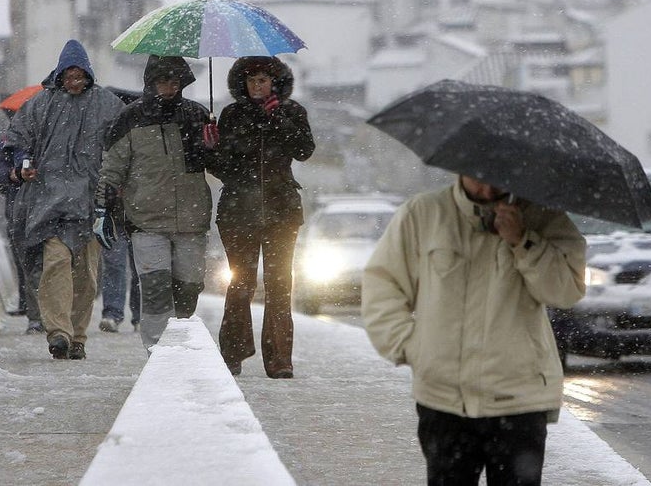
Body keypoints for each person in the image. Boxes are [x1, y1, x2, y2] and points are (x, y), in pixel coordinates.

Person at [362, 175, 587, 486]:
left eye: (497, 179)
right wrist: (410, 346)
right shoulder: (423, 213)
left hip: (519, 399)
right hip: (444, 399)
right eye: (477, 178)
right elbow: (382, 285)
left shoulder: (544, 217)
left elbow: (565, 292)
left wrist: (523, 240)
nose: (487, 190)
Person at [4, 39, 124, 360]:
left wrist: (118, 182)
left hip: (89, 204)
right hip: (49, 202)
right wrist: (23, 163)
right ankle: (58, 332)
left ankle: (78, 335)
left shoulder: (107, 105)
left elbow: (124, 144)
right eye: (68, 77)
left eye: (79, 76)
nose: (74, 83)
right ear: (59, 75)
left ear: (88, 75)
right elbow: (17, 140)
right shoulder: (41, 105)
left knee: (85, 274)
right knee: (55, 264)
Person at [94, 55, 217, 351]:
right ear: (151, 83)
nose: (170, 88)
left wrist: (215, 145)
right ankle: (158, 350)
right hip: (146, 219)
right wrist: (103, 209)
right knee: (155, 288)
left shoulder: (196, 115)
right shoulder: (130, 119)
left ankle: (180, 341)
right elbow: (112, 169)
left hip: (191, 218)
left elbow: (218, 166)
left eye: (175, 81)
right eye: (164, 81)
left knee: (189, 287)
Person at [212, 56, 314, 379]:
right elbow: (223, 169)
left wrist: (277, 118)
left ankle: (280, 358)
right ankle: (232, 352)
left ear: (275, 83)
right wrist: (210, 148)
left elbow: (304, 149)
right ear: (243, 84)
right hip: (238, 212)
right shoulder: (230, 115)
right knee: (240, 282)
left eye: (263, 80)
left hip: (281, 211)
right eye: (252, 80)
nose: (258, 86)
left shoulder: (292, 112)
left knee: (280, 283)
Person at [0, 128, 44, 333]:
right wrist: (12, 174)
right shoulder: (12, 135)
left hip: (57, 206)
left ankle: (53, 315)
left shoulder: (63, 128)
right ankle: (37, 316)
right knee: (29, 262)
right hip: (20, 209)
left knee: (55, 262)